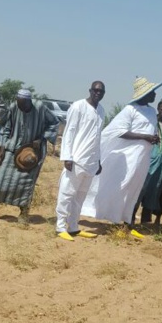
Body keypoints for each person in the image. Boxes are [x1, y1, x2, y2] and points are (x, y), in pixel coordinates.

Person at [80, 77, 162, 238]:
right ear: (145, 94)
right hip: (129, 157)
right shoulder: (130, 110)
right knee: (123, 185)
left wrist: (152, 137)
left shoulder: (152, 111)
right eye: (152, 92)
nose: (155, 94)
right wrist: (145, 137)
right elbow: (118, 131)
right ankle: (113, 216)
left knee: (135, 188)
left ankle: (127, 220)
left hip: (143, 157)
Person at [0, 90, 59, 225]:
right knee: (1, 178)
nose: (20, 108)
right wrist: (1, 148)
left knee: (26, 184)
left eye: (23, 105)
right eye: (18, 104)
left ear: (29, 102)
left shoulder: (40, 108)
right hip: (13, 147)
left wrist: (42, 138)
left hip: (32, 152)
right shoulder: (14, 107)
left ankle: (23, 214)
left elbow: (54, 122)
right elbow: (4, 126)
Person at [55, 82, 106, 241]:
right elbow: (69, 132)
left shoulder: (101, 111)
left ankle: (74, 227)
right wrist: (67, 157)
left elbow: (97, 138)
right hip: (76, 159)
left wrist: (98, 161)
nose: (98, 93)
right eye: (95, 90)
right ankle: (60, 227)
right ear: (90, 90)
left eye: (101, 91)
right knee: (67, 193)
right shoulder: (78, 106)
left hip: (91, 162)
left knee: (80, 197)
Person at [135, 98, 162, 226]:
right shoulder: (151, 123)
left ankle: (145, 220)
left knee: (154, 191)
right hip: (149, 162)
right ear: (158, 109)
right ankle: (129, 218)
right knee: (141, 189)